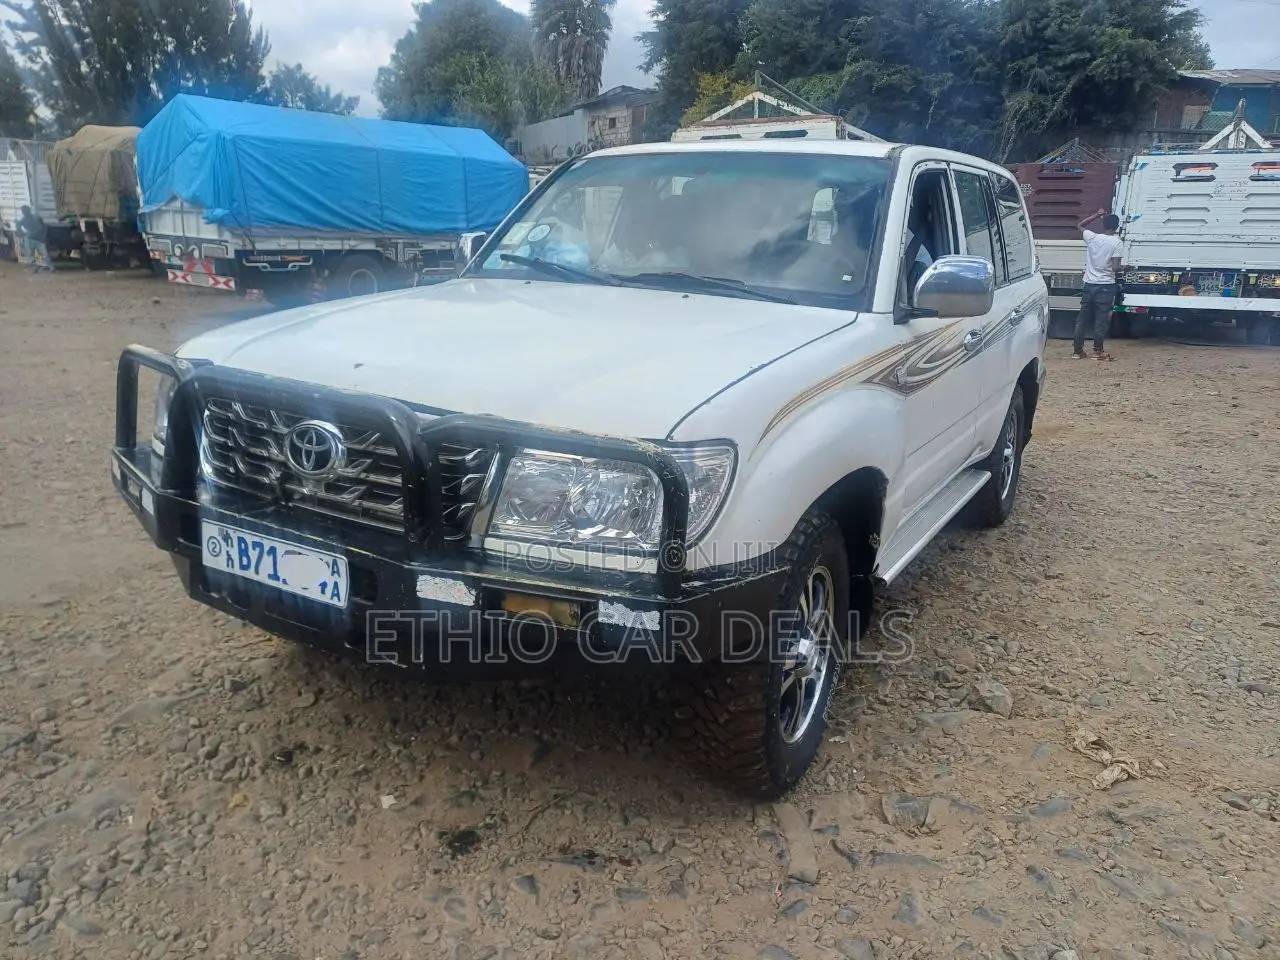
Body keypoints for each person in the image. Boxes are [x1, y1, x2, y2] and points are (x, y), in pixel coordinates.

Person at [1073, 208, 1123, 360]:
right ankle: (1097, 351)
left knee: (1082, 318)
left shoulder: (1092, 237)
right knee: (1101, 319)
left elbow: (1079, 225)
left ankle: (1078, 351)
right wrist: (1127, 267)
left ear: (1104, 225)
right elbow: (1115, 267)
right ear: (1117, 227)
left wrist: (1096, 215)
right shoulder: (1117, 242)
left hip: (1089, 284)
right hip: (1106, 286)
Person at [18, 205, 54, 274]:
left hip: (33, 239)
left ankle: (39, 267)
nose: (24, 212)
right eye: (23, 211)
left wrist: (23, 234)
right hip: (35, 239)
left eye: (24, 211)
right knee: (42, 254)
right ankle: (49, 267)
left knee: (33, 255)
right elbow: (44, 227)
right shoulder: (34, 217)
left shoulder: (30, 218)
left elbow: (19, 229)